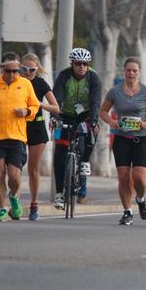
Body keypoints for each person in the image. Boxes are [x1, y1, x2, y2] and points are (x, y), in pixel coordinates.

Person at [0, 52, 40, 221]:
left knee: (14, 176)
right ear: (1, 69)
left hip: (17, 137)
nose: (12, 75)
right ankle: (3, 208)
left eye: (15, 71)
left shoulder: (25, 84)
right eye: (8, 71)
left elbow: (35, 105)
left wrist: (26, 111)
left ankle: (14, 197)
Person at [100, 57, 146, 226]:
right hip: (122, 138)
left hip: (142, 138)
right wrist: (112, 122)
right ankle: (127, 211)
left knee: (139, 178)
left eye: (134, 70)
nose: (131, 73)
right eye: (128, 70)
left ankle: (141, 199)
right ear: (124, 71)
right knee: (123, 177)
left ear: (139, 72)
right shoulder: (114, 92)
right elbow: (103, 111)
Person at [51, 47, 102, 208]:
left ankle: (85, 161)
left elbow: (95, 101)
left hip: (85, 113)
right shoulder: (64, 76)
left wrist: (93, 121)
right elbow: (56, 98)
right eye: (78, 64)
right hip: (65, 114)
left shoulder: (93, 78)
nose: (82, 67)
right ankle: (59, 193)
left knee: (93, 130)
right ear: (72, 64)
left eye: (85, 64)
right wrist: (54, 118)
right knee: (59, 152)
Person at [19, 53, 59, 221]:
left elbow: (56, 108)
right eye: (24, 69)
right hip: (17, 127)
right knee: (14, 168)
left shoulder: (41, 83)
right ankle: (14, 201)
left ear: (37, 70)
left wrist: (39, 104)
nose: (27, 72)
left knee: (32, 169)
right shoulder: (15, 82)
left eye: (32, 70)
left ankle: (34, 204)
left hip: (36, 128)